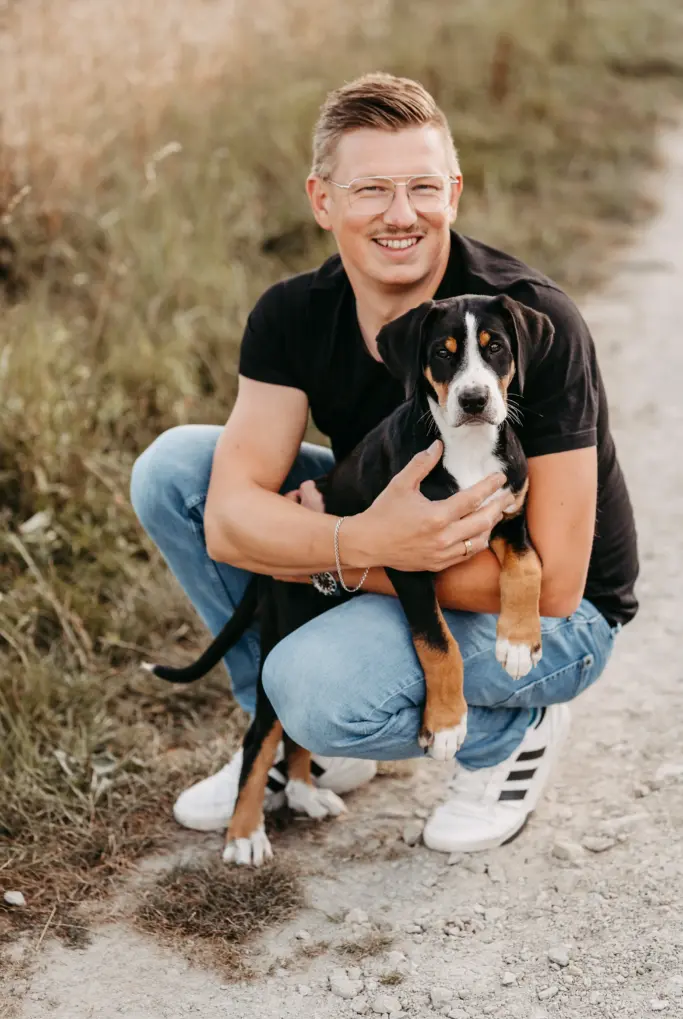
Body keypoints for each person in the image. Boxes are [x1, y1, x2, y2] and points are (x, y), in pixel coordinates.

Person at [130, 72, 638, 853]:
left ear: (454, 194)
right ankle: (299, 752)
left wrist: (338, 560)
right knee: (177, 472)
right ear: (322, 200)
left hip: (547, 615)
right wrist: (363, 542)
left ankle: (510, 732)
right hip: (393, 543)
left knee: (318, 688)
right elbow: (229, 521)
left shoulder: (530, 319)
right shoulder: (292, 314)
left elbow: (558, 583)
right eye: (371, 189)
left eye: (422, 188)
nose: (401, 215)